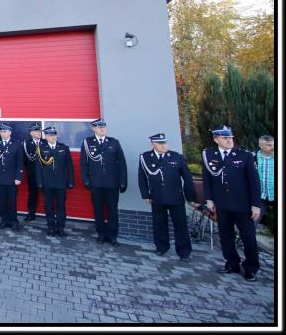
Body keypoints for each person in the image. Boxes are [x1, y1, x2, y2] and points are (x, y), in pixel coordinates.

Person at [203, 125, 261, 282]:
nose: (229, 140)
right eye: (225, 138)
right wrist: (209, 199)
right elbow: (207, 179)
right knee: (225, 235)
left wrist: (255, 204)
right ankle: (232, 263)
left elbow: (254, 182)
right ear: (216, 139)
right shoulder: (209, 155)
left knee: (248, 237)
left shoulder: (245, 156)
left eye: (230, 137)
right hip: (222, 204)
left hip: (243, 205)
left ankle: (251, 268)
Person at [138, 133, 199, 262]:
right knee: (159, 223)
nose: (163, 145)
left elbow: (187, 178)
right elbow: (142, 177)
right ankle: (161, 247)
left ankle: (183, 251)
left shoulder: (176, 157)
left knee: (180, 224)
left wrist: (190, 197)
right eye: (160, 143)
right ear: (153, 144)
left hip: (175, 196)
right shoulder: (145, 157)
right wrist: (146, 195)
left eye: (165, 143)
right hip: (157, 196)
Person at [80, 118, 128, 246]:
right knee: (98, 210)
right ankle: (101, 234)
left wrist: (123, 181)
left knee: (112, 210)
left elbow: (122, 163)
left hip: (112, 184)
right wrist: (86, 180)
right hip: (95, 183)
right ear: (94, 128)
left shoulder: (113, 142)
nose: (102, 129)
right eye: (100, 127)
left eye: (104, 127)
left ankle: (113, 236)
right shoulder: (87, 142)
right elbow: (83, 163)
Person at [36, 126, 74, 238]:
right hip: (47, 183)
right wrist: (39, 182)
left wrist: (71, 181)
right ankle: (51, 227)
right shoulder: (41, 148)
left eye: (54, 135)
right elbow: (38, 167)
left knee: (61, 206)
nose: (52, 137)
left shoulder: (64, 148)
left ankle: (61, 228)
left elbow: (69, 166)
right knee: (49, 206)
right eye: (50, 135)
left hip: (61, 183)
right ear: (46, 136)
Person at [0, 123, 24, 231]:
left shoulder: (17, 144)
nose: (2, 133)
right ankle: (4, 220)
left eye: (5, 131)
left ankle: (14, 221)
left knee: (12, 201)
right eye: (1, 131)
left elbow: (20, 162)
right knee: (1, 200)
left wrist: (18, 177)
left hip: (12, 178)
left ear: (10, 132)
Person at [22, 124, 43, 221]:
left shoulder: (45, 142)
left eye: (39, 131)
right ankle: (31, 213)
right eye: (36, 131)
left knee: (48, 195)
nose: (39, 133)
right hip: (32, 174)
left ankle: (50, 215)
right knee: (32, 194)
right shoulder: (26, 144)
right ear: (31, 133)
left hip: (45, 174)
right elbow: (23, 161)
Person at [256, 135, 275, 233]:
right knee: (253, 219)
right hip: (260, 195)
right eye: (269, 145)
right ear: (261, 146)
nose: (273, 147)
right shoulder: (253, 158)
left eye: (274, 145)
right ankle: (246, 240)